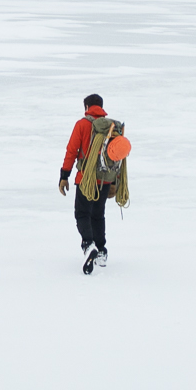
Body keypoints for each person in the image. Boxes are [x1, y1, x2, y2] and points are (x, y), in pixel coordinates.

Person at [56, 93, 130, 274]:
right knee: (98, 214)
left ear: (87, 107)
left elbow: (72, 150)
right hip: (105, 179)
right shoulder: (113, 128)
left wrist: (64, 175)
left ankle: (88, 245)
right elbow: (119, 157)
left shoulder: (82, 124)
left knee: (82, 214)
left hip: (85, 180)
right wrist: (116, 181)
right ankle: (102, 251)